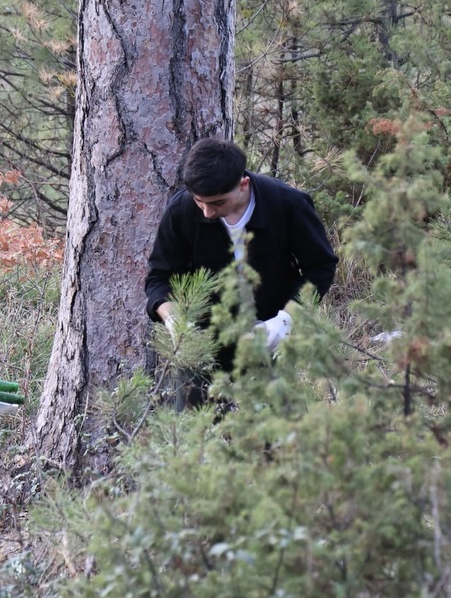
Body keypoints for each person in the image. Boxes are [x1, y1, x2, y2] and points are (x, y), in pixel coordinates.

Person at [144, 138, 338, 409]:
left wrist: (284, 322)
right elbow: (158, 279)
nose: (208, 212)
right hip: (201, 340)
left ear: (243, 184)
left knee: (282, 438)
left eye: (218, 203)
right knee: (193, 438)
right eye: (200, 202)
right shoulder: (182, 210)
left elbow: (320, 267)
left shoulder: (287, 205)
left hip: (267, 334)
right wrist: (175, 321)